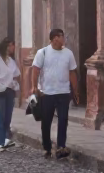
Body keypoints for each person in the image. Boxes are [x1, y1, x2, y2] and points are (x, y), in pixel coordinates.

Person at [31, 28, 79, 160]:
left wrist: (75, 90)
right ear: (55, 39)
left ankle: (61, 146)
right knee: (46, 121)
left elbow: (72, 72)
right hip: (47, 93)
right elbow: (35, 70)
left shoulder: (68, 53)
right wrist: (35, 87)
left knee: (63, 120)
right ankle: (47, 147)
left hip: (63, 92)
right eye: (62, 37)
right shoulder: (43, 52)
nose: (64, 40)